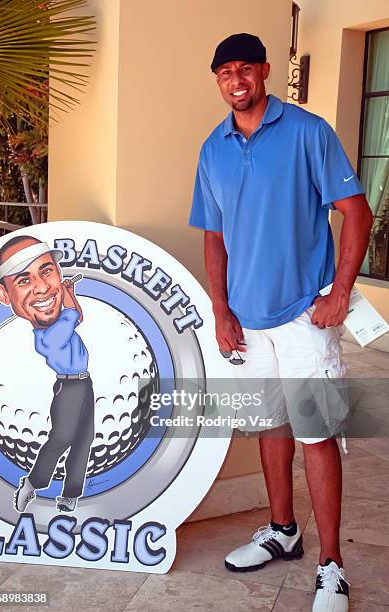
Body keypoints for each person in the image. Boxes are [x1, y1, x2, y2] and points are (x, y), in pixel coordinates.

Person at [189, 33, 373, 612]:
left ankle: (331, 565)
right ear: (217, 80)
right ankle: (283, 531)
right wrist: (221, 310)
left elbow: (356, 212)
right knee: (271, 426)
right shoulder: (212, 149)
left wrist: (340, 291)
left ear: (265, 71)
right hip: (247, 320)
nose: (235, 80)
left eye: (245, 68)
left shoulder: (308, 133)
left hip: (303, 318)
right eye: (225, 72)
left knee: (315, 435)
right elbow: (213, 239)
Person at [0, 235, 94, 513]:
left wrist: (67, 290)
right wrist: (65, 290)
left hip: (85, 384)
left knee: (84, 439)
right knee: (62, 438)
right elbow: (73, 314)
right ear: (4, 295)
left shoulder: (61, 322)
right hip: (69, 389)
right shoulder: (48, 337)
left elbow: (77, 315)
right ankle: (33, 483)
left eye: (46, 271)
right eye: (24, 280)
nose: (40, 288)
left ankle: (71, 494)